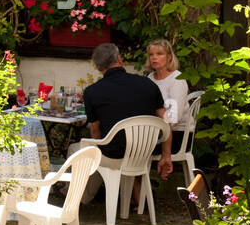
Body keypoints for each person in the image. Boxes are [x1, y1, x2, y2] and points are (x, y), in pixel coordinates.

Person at [65, 42, 171, 202]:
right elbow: (166, 122)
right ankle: (89, 195)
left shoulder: (93, 91)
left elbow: (95, 133)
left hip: (114, 154)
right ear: (119, 59)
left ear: (98, 67)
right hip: (145, 151)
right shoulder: (148, 84)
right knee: (97, 148)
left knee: (79, 149)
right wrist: (166, 156)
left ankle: (79, 198)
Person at [146, 38, 190, 128]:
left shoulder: (177, 79)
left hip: (177, 131)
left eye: (159, 54)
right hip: (154, 129)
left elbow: (175, 117)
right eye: (151, 54)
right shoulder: (150, 78)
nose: (154, 57)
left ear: (169, 57)